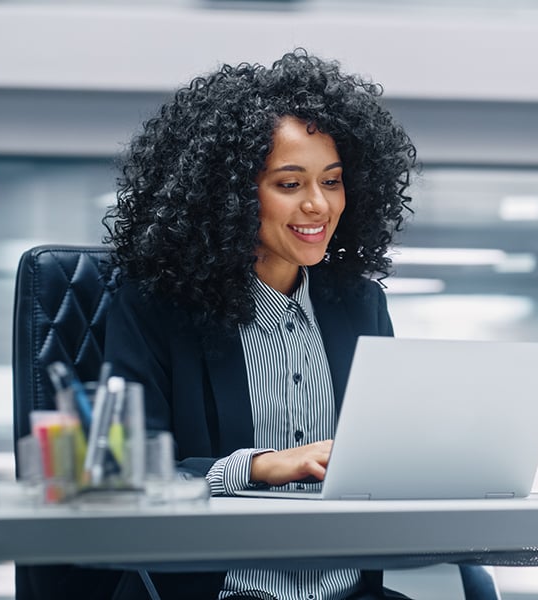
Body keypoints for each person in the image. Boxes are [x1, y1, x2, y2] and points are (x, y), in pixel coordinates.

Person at [101, 48, 417, 600]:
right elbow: (121, 478)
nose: (319, 205)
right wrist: (257, 466)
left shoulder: (359, 305)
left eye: (333, 181)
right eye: (290, 184)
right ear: (227, 195)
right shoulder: (156, 307)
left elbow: (382, 454)